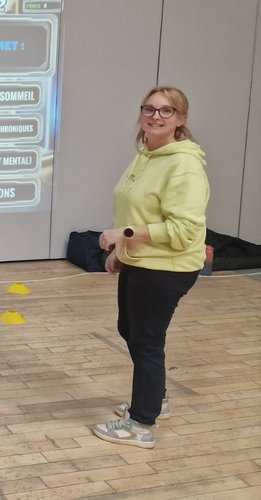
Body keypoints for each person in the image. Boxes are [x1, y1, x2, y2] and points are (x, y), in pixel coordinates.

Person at [92, 86, 209, 449]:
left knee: (146, 340)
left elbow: (184, 230)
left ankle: (141, 423)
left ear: (181, 119)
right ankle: (156, 397)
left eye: (166, 110)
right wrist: (121, 251)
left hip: (167, 267)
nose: (156, 116)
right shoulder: (146, 155)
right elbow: (137, 209)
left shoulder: (184, 165)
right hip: (141, 261)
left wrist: (123, 235)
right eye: (149, 109)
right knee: (129, 329)